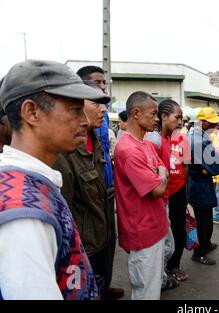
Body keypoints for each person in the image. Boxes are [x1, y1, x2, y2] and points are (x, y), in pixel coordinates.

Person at [0, 60, 109, 299]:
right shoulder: (23, 214)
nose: (84, 120)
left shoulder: (30, 182)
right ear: (32, 112)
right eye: (74, 109)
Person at [52, 81, 117, 300]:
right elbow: (65, 214)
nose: (104, 109)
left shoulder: (95, 139)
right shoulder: (65, 152)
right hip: (84, 248)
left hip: (102, 234)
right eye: (96, 102)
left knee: (102, 281)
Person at [114, 91, 169, 300]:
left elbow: (162, 169)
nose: (157, 119)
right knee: (147, 293)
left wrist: (160, 174)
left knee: (152, 288)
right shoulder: (128, 150)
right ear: (136, 113)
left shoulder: (145, 144)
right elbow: (158, 189)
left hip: (155, 226)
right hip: (143, 232)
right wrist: (160, 175)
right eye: (154, 114)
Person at [77, 66, 123, 299]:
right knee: (90, 267)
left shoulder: (95, 133)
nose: (104, 108)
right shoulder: (68, 147)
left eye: (104, 83)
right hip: (86, 213)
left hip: (104, 192)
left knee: (106, 250)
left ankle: (104, 286)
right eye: (96, 101)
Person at [146, 99, 190, 284]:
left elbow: (185, 167)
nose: (180, 122)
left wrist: (181, 191)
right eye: (177, 117)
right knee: (161, 233)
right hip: (158, 195)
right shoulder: (153, 141)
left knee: (179, 230)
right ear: (164, 117)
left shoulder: (182, 139)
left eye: (181, 118)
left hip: (177, 190)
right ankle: (159, 273)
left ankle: (174, 265)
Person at [188, 107, 219, 265]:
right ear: (203, 122)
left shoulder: (195, 135)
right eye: (212, 123)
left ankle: (206, 245)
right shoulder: (200, 141)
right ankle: (199, 252)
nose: (215, 126)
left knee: (205, 219)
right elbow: (217, 166)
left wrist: (208, 168)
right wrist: (218, 162)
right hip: (200, 185)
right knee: (204, 222)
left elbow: (211, 166)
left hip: (199, 183)